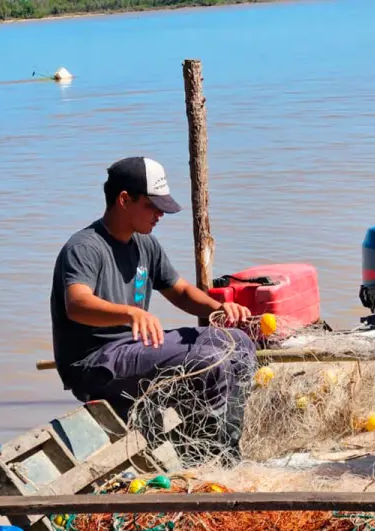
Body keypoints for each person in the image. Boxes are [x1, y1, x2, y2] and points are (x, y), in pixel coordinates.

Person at [49, 156, 258, 456]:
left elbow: (181, 291)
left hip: (136, 348)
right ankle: (213, 458)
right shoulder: (84, 247)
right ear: (124, 199)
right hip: (95, 363)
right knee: (210, 360)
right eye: (153, 205)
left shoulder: (145, 244)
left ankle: (225, 446)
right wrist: (131, 312)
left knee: (237, 343)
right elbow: (77, 304)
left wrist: (218, 310)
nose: (160, 214)